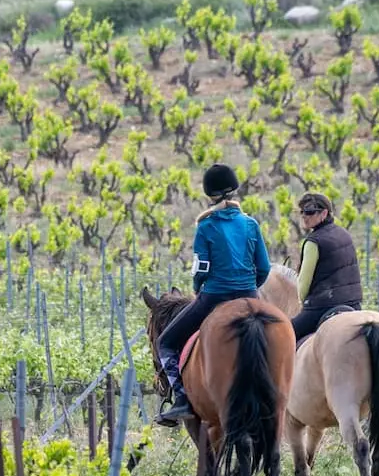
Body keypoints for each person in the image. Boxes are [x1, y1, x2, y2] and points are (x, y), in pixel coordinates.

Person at [154, 163, 272, 427]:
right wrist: (251, 288)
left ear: (210, 194)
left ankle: (181, 398)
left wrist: (198, 289)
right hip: (250, 296)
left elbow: (202, 268)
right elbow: (264, 267)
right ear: (235, 190)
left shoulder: (205, 227)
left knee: (166, 342)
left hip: (215, 296)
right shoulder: (251, 224)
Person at [291, 192, 363, 342]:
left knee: (282, 336)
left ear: (324, 213)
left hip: (323, 306)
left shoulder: (313, 242)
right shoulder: (344, 233)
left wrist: (303, 303)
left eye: (310, 212)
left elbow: (303, 286)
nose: (304, 216)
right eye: (302, 212)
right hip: (354, 304)